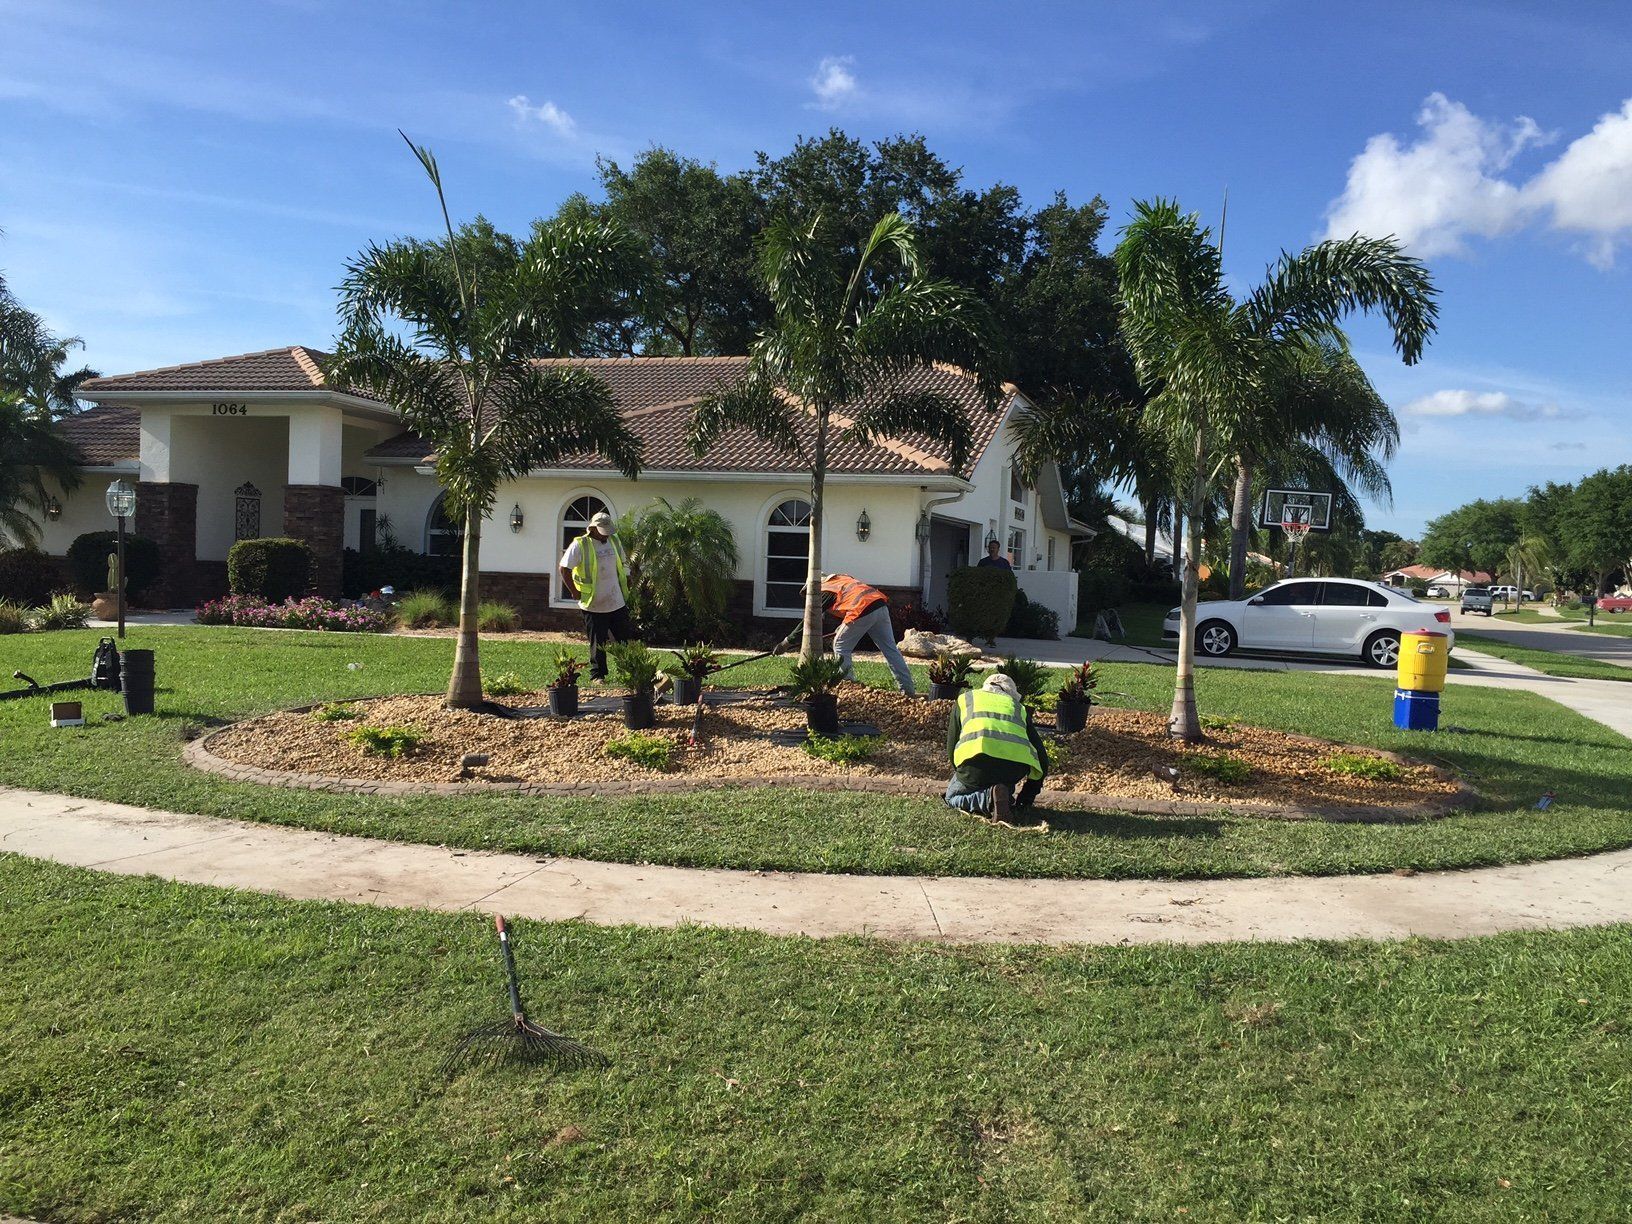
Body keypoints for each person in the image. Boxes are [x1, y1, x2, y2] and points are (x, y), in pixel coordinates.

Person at [773, 573, 916, 695]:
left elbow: (809, 620)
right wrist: (842, 628)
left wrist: (786, 643)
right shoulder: (842, 580)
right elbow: (850, 600)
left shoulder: (823, 590)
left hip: (862, 609)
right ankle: (907, 690)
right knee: (890, 648)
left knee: (840, 645)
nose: (809, 597)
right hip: (879, 606)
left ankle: (848, 686)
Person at [943, 672, 1048, 820]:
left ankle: (989, 798)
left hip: (975, 766)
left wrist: (961, 773)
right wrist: (1028, 795)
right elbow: (1042, 757)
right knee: (1003, 788)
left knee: (951, 798)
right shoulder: (1019, 708)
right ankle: (1000, 796)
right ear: (1010, 694)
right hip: (1012, 771)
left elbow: (952, 744)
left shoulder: (965, 699)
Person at [558, 510, 634, 681]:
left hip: (616, 600)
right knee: (598, 642)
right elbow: (564, 568)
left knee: (624, 639)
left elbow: (623, 562)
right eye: (603, 531)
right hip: (593, 603)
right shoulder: (580, 545)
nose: (606, 535)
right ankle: (598, 675)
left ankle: (629, 671)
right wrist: (574, 591)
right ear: (592, 528)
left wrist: (628, 576)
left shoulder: (614, 541)